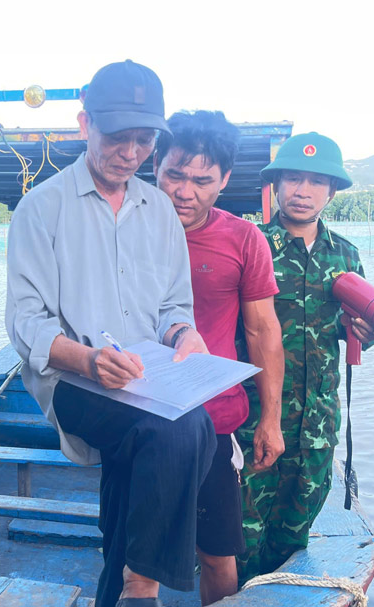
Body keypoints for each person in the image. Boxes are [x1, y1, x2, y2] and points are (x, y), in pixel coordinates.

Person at [6, 60, 216, 607]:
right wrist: (89, 360)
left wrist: (184, 336)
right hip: (74, 382)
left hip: (146, 378)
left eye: (144, 140)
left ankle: (121, 588)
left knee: (160, 452)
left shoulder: (161, 213)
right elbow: (26, 323)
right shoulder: (40, 208)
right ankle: (142, 586)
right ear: (84, 124)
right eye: (117, 138)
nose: (130, 153)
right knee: (180, 431)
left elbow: (173, 305)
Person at [235, 132, 374, 580]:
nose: (303, 191)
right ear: (275, 185)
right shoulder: (250, 246)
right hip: (254, 418)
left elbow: (349, 329)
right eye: (293, 179)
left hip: (316, 425)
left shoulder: (346, 255)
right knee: (241, 535)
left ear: (332, 191)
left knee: (295, 536)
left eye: (317, 182)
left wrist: (366, 333)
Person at [154, 111, 285, 605]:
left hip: (213, 419)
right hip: (140, 415)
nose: (185, 191)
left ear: (225, 180)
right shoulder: (124, 231)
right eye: (174, 175)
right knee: (133, 552)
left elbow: (262, 331)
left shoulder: (243, 239)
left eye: (202, 180)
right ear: (155, 166)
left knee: (218, 552)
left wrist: (269, 421)